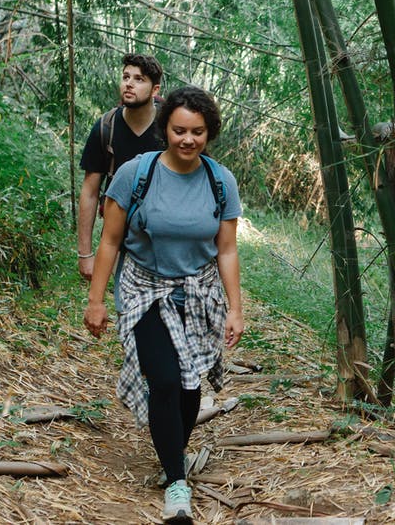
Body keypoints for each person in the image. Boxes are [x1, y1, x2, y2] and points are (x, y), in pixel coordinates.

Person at [83, 86, 244, 524]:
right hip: (144, 290)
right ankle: (177, 482)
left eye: (197, 132)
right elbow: (110, 241)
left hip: (198, 291)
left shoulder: (219, 180)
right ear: (164, 128)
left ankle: (171, 450)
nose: (187, 140)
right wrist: (96, 301)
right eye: (178, 130)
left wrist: (235, 307)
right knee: (167, 381)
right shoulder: (137, 174)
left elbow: (226, 249)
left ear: (209, 133)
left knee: (191, 389)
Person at [77, 53, 167, 281]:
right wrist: (85, 254)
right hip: (119, 234)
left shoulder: (169, 128)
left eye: (139, 79)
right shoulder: (106, 127)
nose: (129, 83)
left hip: (163, 235)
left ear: (154, 90)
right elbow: (89, 191)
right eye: (126, 76)